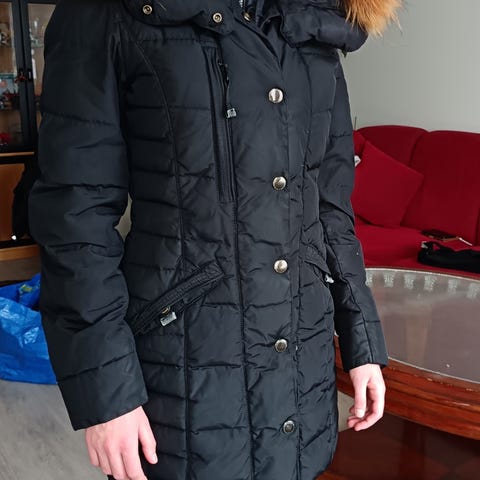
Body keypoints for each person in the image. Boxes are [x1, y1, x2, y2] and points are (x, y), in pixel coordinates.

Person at [29, 0, 400, 479]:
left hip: (299, 357)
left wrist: (361, 340)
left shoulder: (314, 20)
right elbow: (75, 219)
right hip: (184, 361)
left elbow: (329, 206)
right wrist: (107, 394)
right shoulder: (107, 14)